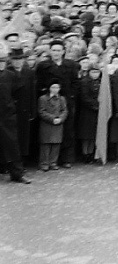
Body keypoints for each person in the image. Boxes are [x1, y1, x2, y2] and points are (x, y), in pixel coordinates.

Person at [35, 40, 78, 168]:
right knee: (48, 131)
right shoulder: (43, 66)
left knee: (68, 129)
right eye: (53, 50)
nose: (56, 53)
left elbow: (75, 82)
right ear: (50, 51)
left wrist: (70, 96)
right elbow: (39, 83)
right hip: (49, 102)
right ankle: (46, 160)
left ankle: (66, 159)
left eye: (59, 50)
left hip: (66, 101)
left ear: (63, 51)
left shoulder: (70, 65)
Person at [0, 57, 30, 183]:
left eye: (2, 61)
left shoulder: (11, 75)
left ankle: (17, 173)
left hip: (7, 115)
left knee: (12, 144)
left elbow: (19, 94)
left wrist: (13, 108)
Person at [38, 82, 67, 172]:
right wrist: (52, 118)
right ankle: (44, 163)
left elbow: (64, 110)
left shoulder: (62, 99)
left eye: (57, 87)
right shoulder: (43, 98)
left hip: (58, 123)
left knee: (56, 144)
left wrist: (61, 118)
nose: (55, 89)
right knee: (45, 144)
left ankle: (53, 162)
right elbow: (41, 111)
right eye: (53, 87)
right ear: (49, 88)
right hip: (47, 123)